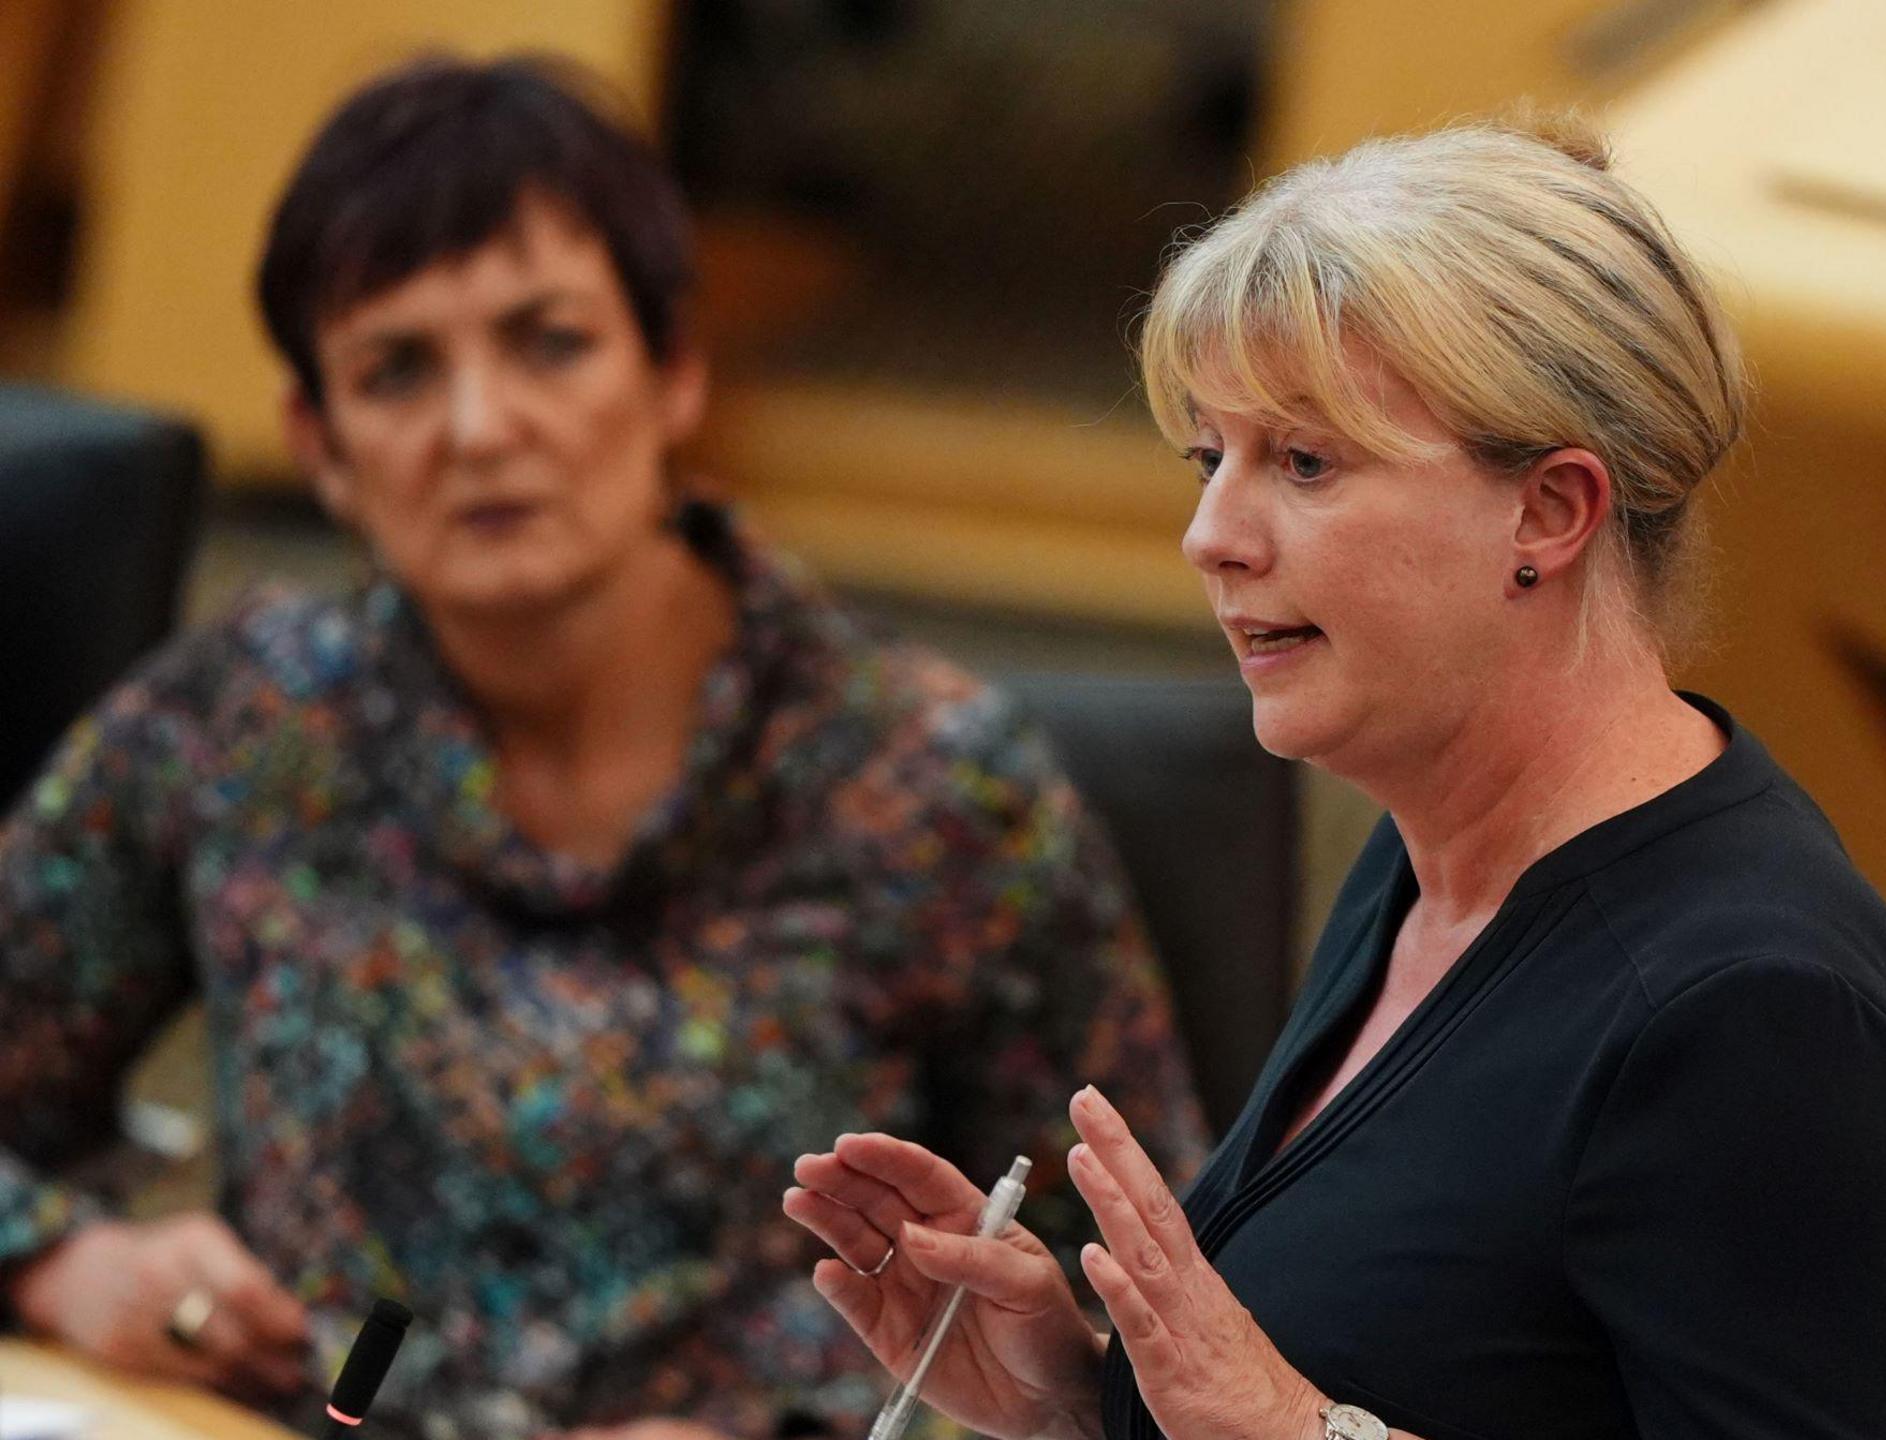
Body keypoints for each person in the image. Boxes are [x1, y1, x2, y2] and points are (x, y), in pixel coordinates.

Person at [0, 55, 1204, 1440]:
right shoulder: (248, 721)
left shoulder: (928, 780)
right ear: (319, 449)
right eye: (397, 370)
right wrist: (58, 1256)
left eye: (549, 343)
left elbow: (1146, 1322)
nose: (480, 428)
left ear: (674, 372)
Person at [784, 117, 1886, 1440]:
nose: (1211, 535)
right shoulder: (1429, 854)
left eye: (1303, 462)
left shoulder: (1756, 1014)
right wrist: (1080, 1397)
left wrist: (1293, 1433)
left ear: (1550, 513)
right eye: (1207, 459)